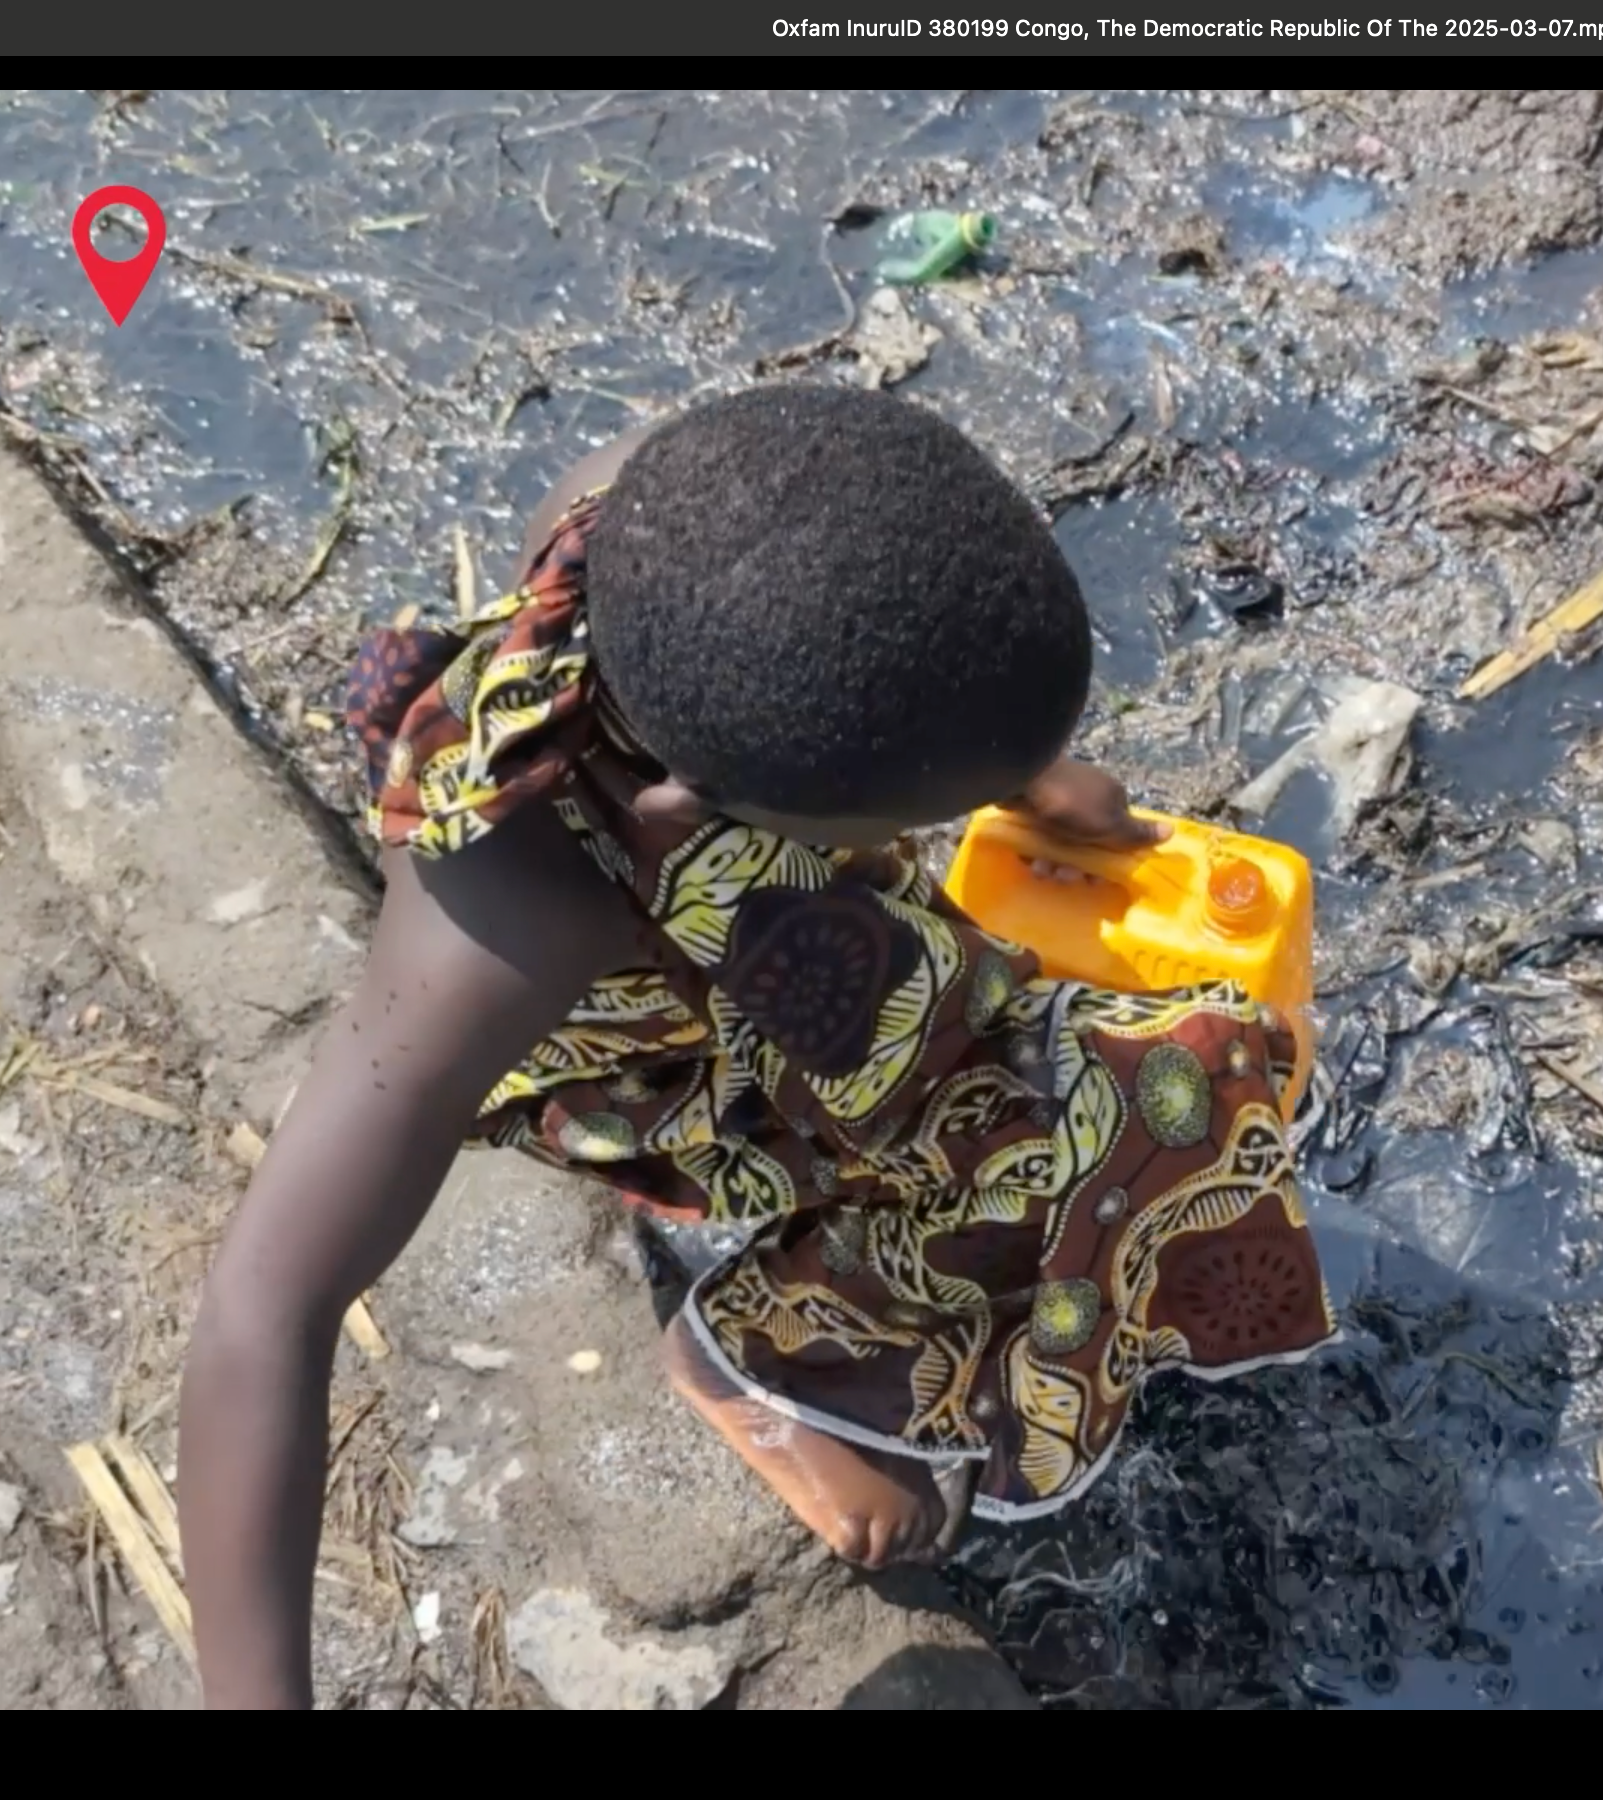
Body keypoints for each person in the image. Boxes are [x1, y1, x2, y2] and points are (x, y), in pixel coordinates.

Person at [178, 384, 1337, 1709]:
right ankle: (772, 1357)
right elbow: (260, 1314)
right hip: (685, 1068)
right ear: (754, 812)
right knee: (1154, 1111)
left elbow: (886, 622)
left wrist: (1025, 772)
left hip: (754, 919)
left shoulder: (663, 510)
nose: (960, 821)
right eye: (932, 811)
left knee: (1125, 1065)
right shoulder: (508, 917)